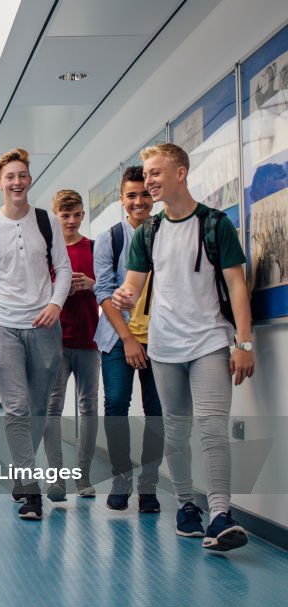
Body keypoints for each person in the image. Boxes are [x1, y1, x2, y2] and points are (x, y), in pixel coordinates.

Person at [113, 143, 255, 551]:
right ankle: (187, 508)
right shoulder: (148, 232)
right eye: (146, 173)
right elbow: (134, 286)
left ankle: (221, 514)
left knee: (212, 428)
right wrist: (123, 296)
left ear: (181, 172)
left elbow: (237, 285)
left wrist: (243, 342)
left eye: (156, 172)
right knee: (175, 429)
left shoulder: (214, 224)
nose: (150, 180)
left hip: (210, 340)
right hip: (164, 346)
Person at [0, 148, 72, 521]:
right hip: (3, 325)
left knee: (38, 409)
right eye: (9, 177)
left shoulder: (47, 222)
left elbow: (62, 269)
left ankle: (20, 469)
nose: (16, 182)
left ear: (30, 180)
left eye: (22, 175)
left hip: (45, 325)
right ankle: (31, 490)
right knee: (15, 407)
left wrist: (56, 304)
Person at [93, 166, 164, 513]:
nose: (139, 201)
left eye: (145, 194)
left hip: (162, 339)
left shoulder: (165, 232)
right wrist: (129, 339)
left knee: (158, 412)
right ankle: (121, 477)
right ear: (122, 199)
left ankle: (148, 486)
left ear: (154, 196)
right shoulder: (111, 238)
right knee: (117, 405)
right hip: (118, 338)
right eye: (131, 195)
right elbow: (103, 291)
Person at [43, 189, 99, 502]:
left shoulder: (93, 248)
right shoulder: (47, 253)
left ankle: (84, 476)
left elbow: (111, 287)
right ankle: (56, 478)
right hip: (55, 341)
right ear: (56, 217)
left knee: (88, 408)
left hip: (90, 340)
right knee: (52, 408)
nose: (72, 221)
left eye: (77, 214)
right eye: (66, 215)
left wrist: (91, 284)